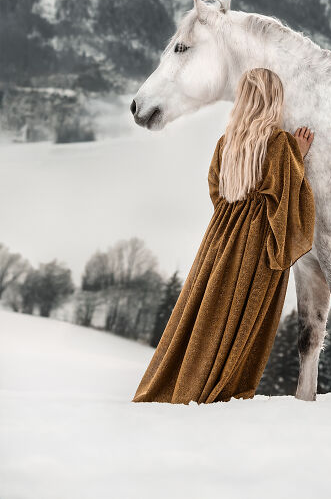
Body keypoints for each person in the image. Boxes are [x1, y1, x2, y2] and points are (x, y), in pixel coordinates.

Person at [132, 67, 315, 404]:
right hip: (257, 241)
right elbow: (285, 195)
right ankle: (218, 388)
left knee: (205, 309)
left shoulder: (225, 144)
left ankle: (183, 381)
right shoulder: (279, 144)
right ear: (275, 100)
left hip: (219, 238)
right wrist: (298, 159)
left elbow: (217, 192)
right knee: (241, 321)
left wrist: (235, 215)